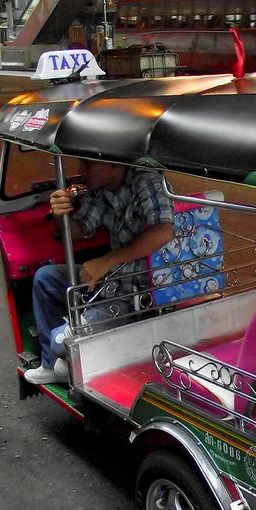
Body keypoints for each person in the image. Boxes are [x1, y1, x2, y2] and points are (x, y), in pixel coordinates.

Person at [25, 160, 175, 384]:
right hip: (113, 279)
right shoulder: (100, 190)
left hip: (143, 292)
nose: (81, 172)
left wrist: (107, 260)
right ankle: (51, 365)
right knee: (47, 278)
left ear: (112, 165)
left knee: (60, 341)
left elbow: (163, 231)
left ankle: (67, 363)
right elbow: (79, 229)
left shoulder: (147, 182)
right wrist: (60, 212)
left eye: (87, 165)